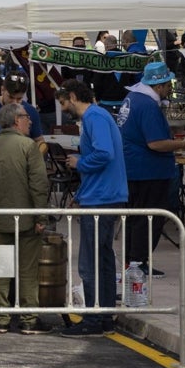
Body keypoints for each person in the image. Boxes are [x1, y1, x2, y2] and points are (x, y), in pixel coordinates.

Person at [58, 79, 128, 337]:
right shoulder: (100, 116)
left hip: (101, 198)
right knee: (103, 259)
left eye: (64, 102)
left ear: (74, 96)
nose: (64, 108)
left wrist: (80, 162)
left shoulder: (93, 118)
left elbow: (104, 154)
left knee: (90, 262)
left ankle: (93, 319)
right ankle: (104, 316)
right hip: (103, 194)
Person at [0, 103, 52, 334]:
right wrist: (41, 216)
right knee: (28, 271)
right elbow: (39, 184)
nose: (30, 121)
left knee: (1, 270)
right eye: (27, 117)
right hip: (27, 219)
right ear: (16, 120)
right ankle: (29, 320)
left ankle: (1, 318)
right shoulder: (29, 147)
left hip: (1, 219)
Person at [115, 60, 185, 278]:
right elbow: (155, 143)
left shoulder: (132, 98)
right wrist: (184, 143)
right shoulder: (147, 105)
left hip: (134, 168)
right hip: (149, 171)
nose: (170, 89)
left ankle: (131, 261)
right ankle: (138, 263)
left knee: (135, 217)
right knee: (149, 219)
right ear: (159, 85)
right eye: (168, 85)